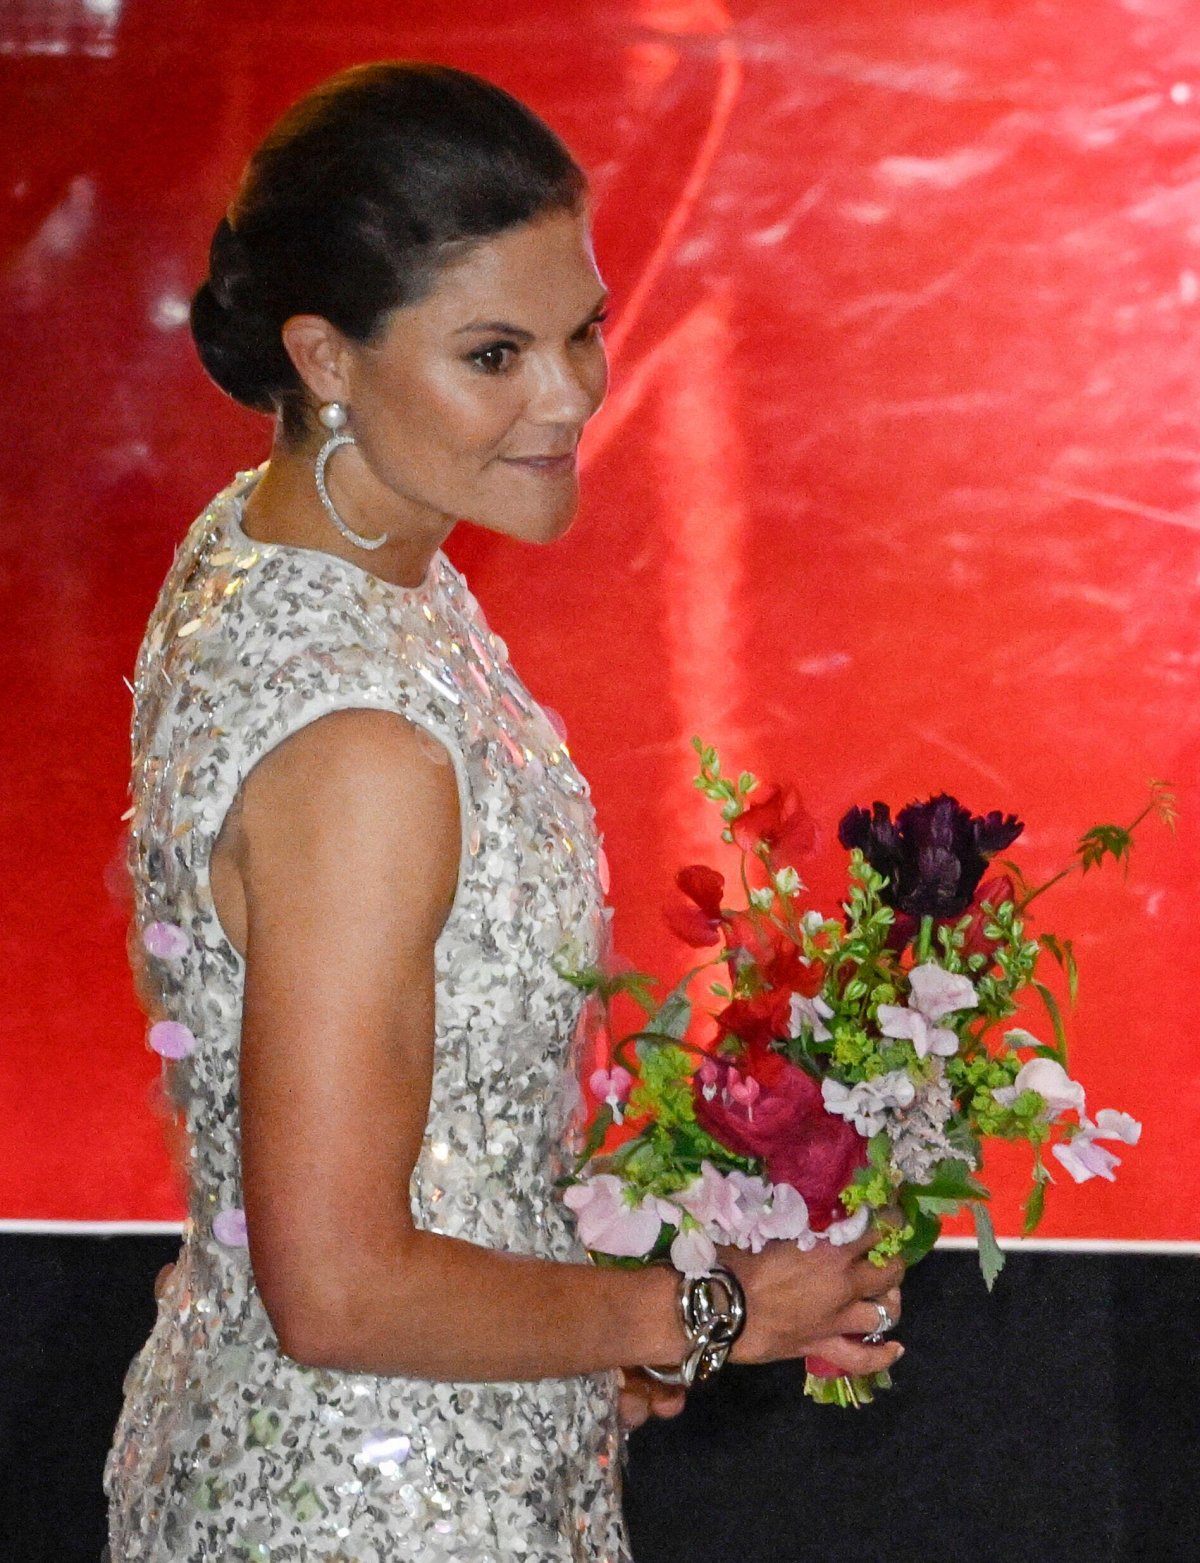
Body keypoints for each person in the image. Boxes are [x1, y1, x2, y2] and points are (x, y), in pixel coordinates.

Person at [103, 60, 905, 1563]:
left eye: (582, 329)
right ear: (325, 357)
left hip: (385, 1448)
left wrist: (593, 1311)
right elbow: (338, 1289)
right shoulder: (358, 747)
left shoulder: (282, 550)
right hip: (377, 1510)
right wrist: (712, 1313)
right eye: (494, 354)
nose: (571, 395)